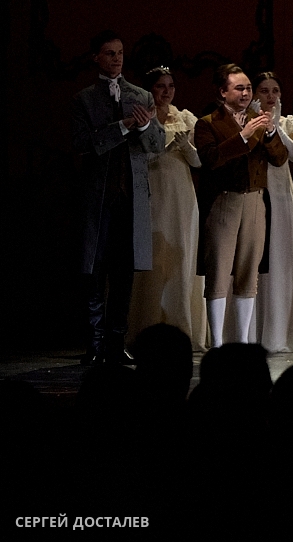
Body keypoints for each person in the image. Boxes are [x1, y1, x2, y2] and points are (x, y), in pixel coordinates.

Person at [73, 32, 165, 365]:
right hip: (99, 199)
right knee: (95, 271)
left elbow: (157, 143)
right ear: (96, 57)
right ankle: (95, 344)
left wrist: (143, 128)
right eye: (110, 53)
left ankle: (116, 341)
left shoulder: (140, 95)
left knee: (125, 272)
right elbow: (82, 143)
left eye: (120, 53)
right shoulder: (85, 98)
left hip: (131, 198)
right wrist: (123, 127)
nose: (116, 59)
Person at [196, 64, 287, 348]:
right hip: (224, 200)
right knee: (219, 269)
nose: (246, 93)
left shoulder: (258, 120)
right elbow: (211, 159)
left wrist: (269, 133)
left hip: (255, 199)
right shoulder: (208, 123)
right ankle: (217, 343)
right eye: (239, 88)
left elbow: (280, 158)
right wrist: (243, 136)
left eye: (248, 88)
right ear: (223, 92)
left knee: (249, 271)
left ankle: (244, 341)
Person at [128, 66, 204, 347]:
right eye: (161, 86)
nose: (167, 91)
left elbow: (198, 162)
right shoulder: (141, 117)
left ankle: (179, 326)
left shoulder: (185, 118)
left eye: (171, 86)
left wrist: (186, 147)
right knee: (151, 257)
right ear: (150, 89)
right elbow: (139, 157)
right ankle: (144, 327)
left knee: (179, 254)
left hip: (181, 196)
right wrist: (164, 144)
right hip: (152, 193)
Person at [250, 72, 293, 352]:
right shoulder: (248, 122)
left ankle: (278, 333)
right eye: (264, 91)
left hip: (281, 195)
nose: (270, 96)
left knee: (279, 258)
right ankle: (250, 331)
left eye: (275, 90)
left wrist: (276, 127)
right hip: (255, 192)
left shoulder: (290, 123)